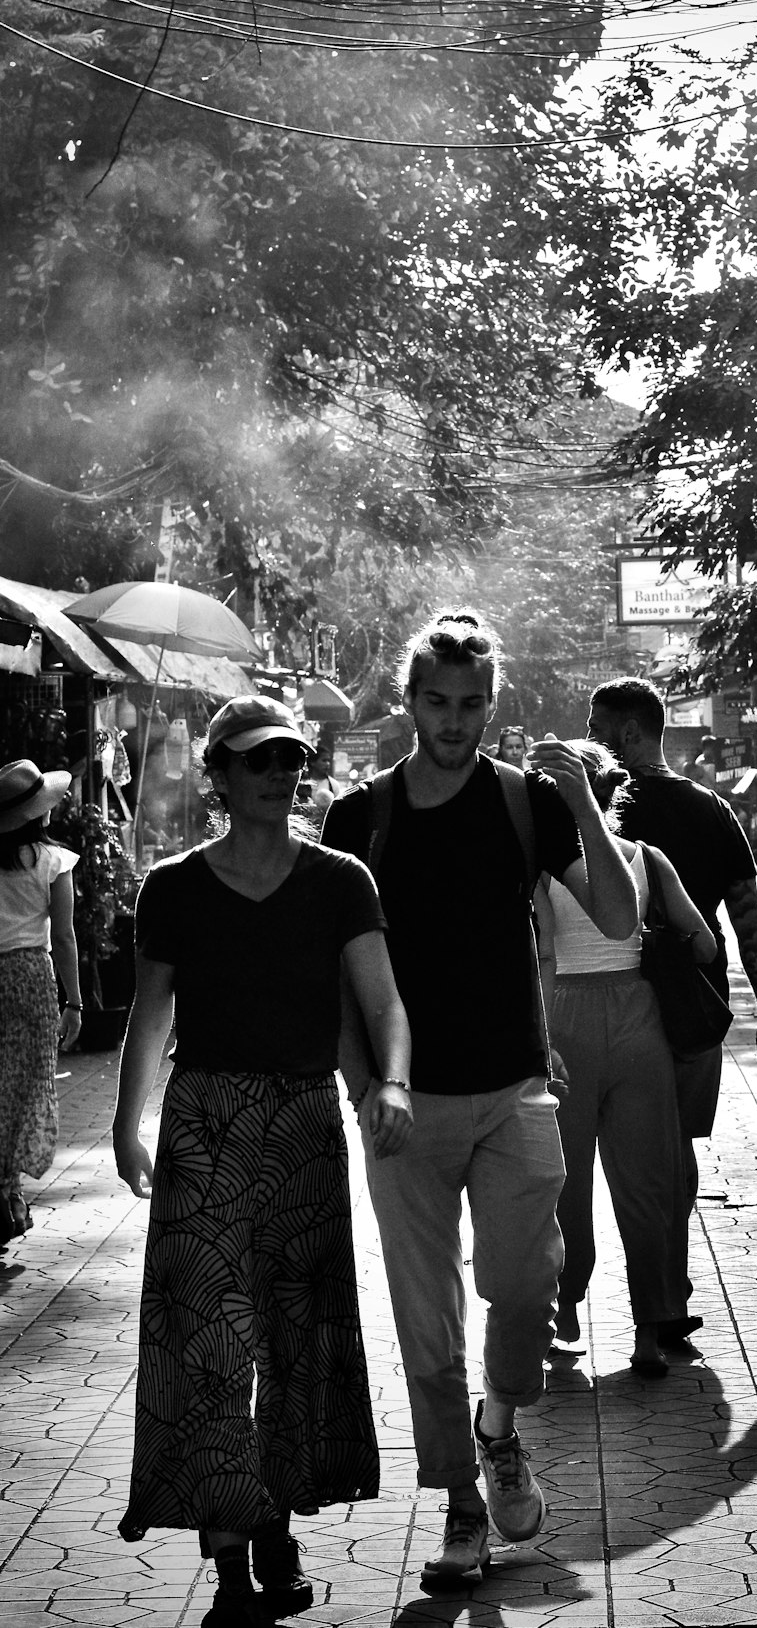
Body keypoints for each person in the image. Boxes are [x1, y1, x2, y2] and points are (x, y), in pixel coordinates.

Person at [321, 610, 637, 1592]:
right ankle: (463, 1502)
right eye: (437, 702)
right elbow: (334, 976)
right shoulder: (359, 819)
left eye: (471, 703)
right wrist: (364, 1083)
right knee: (426, 1323)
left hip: (513, 1089)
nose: (453, 721)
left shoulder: (523, 802)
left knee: (529, 1283)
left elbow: (621, 916)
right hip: (404, 1106)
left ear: (491, 704)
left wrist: (583, 803)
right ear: (410, 702)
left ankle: (498, 1424)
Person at [112, 696, 413, 1628]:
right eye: (257, 761)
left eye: (288, 759)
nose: (278, 775)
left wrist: (393, 1081)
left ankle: (275, 1521)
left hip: (302, 1124)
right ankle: (230, 1556)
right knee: (209, 1344)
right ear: (221, 777)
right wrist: (129, 1125)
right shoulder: (173, 886)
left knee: (293, 1337)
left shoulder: (340, 880)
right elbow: (148, 1018)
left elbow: (383, 1004)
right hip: (204, 1123)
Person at [586, 677, 757, 1351]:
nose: (590, 736)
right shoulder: (712, 810)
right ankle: (670, 1293)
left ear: (629, 733)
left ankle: (659, 1297)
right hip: (697, 1004)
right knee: (674, 1151)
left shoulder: (595, 816)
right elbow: (746, 918)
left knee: (641, 1161)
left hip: (622, 1004)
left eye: (598, 725)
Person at [544, 740, 717, 1376]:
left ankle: (562, 1305)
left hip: (561, 1021)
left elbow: (533, 951)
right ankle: (651, 1325)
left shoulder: (541, 868)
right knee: (649, 1184)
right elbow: (702, 944)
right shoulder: (644, 860)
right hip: (639, 1021)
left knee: (563, 1181)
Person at [0, 760, 82, 1241]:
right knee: (25, 1087)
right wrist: (74, 1003)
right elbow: (66, 937)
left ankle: (5, 1191)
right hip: (32, 976)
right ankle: (9, 1189)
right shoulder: (52, 862)